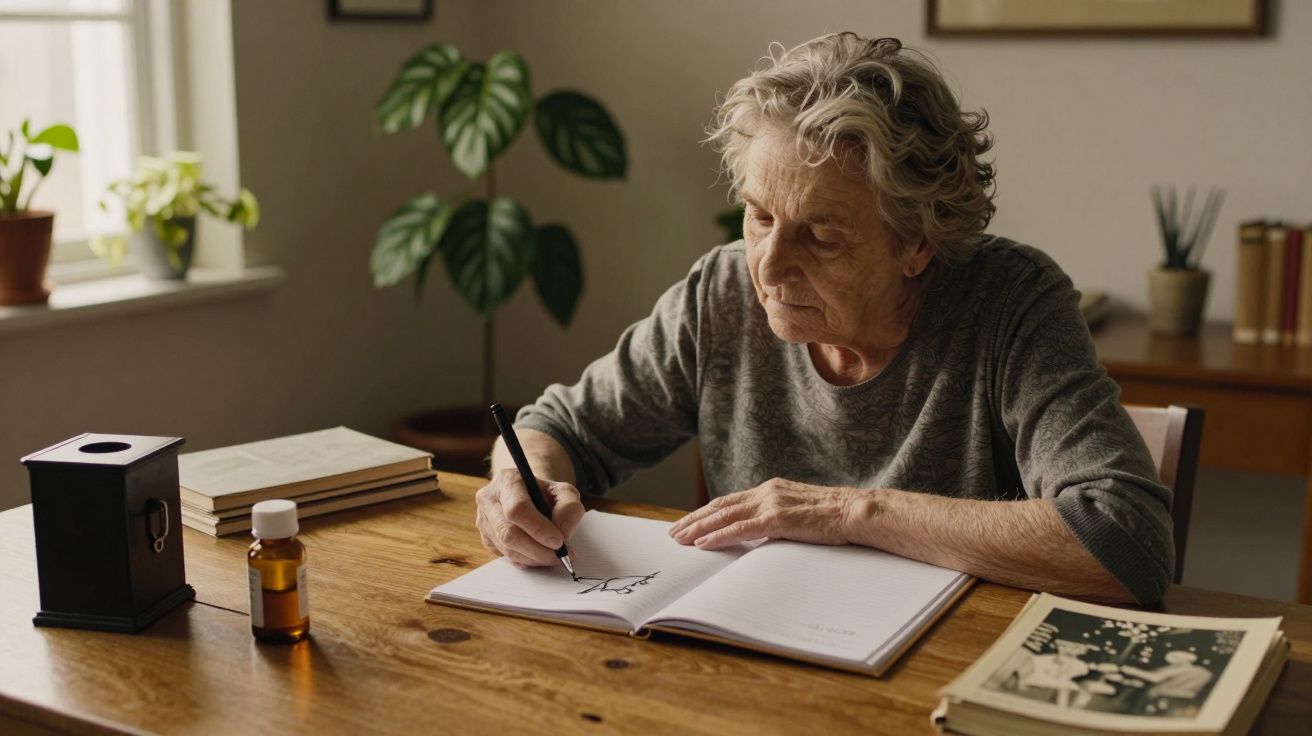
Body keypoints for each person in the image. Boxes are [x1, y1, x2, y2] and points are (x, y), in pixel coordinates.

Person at [473, 32, 1174, 605]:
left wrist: (849, 513)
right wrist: (520, 488)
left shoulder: (1009, 304)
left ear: (918, 243)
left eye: (823, 236)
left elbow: (1125, 538)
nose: (769, 268)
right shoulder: (721, 291)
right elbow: (556, 428)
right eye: (758, 216)